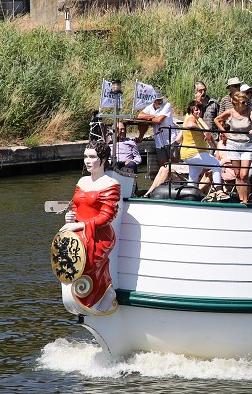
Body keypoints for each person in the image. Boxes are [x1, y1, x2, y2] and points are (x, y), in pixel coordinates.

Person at [58, 140, 121, 315]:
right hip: (79, 232)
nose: (87, 160)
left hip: (100, 236)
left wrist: (80, 224)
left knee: (90, 263)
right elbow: (76, 207)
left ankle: (107, 292)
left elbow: (107, 216)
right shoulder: (82, 181)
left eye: (92, 157)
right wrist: (70, 217)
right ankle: (86, 297)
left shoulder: (111, 184)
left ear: (102, 160)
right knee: (68, 259)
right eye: (86, 156)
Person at [215, 91, 252, 203]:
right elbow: (217, 120)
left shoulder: (249, 110)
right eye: (243, 102)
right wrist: (224, 133)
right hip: (233, 144)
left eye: (246, 102)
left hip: (247, 144)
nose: (245, 104)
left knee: (244, 174)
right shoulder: (230, 112)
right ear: (236, 103)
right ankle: (241, 199)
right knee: (238, 174)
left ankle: (246, 199)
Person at [178, 99, 225, 197]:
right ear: (191, 110)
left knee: (193, 179)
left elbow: (178, 139)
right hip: (194, 153)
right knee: (216, 165)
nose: (198, 112)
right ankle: (219, 191)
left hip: (192, 154)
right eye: (196, 110)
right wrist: (203, 130)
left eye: (200, 110)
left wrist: (216, 148)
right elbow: (191, 125)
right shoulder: (191, 118)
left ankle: (189, 198)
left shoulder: (197, 119)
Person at [136, 90, 174, 169]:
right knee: (163, 167)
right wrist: (153, 116)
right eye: (157, 100)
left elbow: (159, 120)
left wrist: (149, 118)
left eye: (161, 99)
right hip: (159, 141)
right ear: (153, 100)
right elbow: (140, 115)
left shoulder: (167, 105)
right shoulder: (150, 107)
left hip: (170, 139)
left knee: (174, 164)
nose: (160, 101)